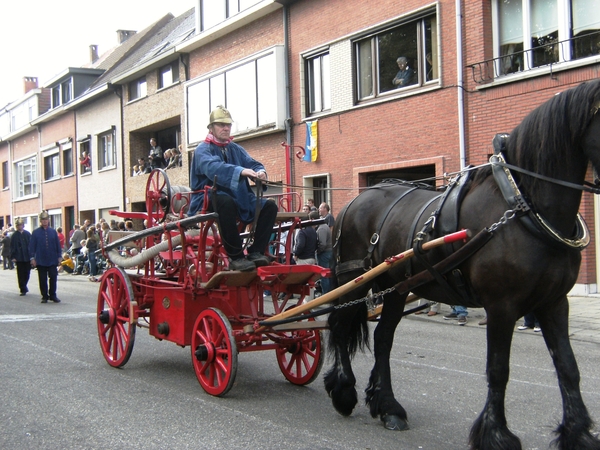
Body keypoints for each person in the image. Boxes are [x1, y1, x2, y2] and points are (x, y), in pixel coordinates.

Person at [188, 105, 278, 272]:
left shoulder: (234, 148)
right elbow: (213, 168)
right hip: (207, 198)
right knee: (225, 202)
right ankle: (236, 257)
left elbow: (253, 163)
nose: (226, 128)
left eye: (228, 125)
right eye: (221, 125)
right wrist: (241, 171)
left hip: (238, 196)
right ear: (211, 128)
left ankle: (256, 251)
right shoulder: (202, 150)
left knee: (270, 206)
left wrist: (260, 172)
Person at [29, 210, 62, 303]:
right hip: (41, 259)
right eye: (43, 220)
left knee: (53, 277)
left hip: (52, 258)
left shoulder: (53, 231)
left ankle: (53, 295)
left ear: (48, 220)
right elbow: (32, 246)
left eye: (46, 219)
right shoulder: (35, 232)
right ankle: (44, 296)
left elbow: (57, 245)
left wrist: (59, 256)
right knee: (42, 279)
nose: (44, 221)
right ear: (40, 221)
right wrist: (32, 258)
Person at [10, 218, 31, 296]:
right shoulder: (14, 235)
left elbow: (31, 245)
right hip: (19, 257)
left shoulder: (27, 234)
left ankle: (24, 284)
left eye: (20, 225)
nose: (19, 226)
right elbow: (12, 247)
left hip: (27, 256)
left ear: (23, 225)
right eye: (18, 225)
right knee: (20, 273)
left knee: (27, 273)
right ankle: (22, 288)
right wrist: (13, 256)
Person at [316, 211, 333, 294]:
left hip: (325, 253)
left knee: (324, 274)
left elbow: (322, 244)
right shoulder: (325, 226)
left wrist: (318, 251)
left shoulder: (322, 228)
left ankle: (325, 293)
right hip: (329, 252)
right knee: (328, 274)